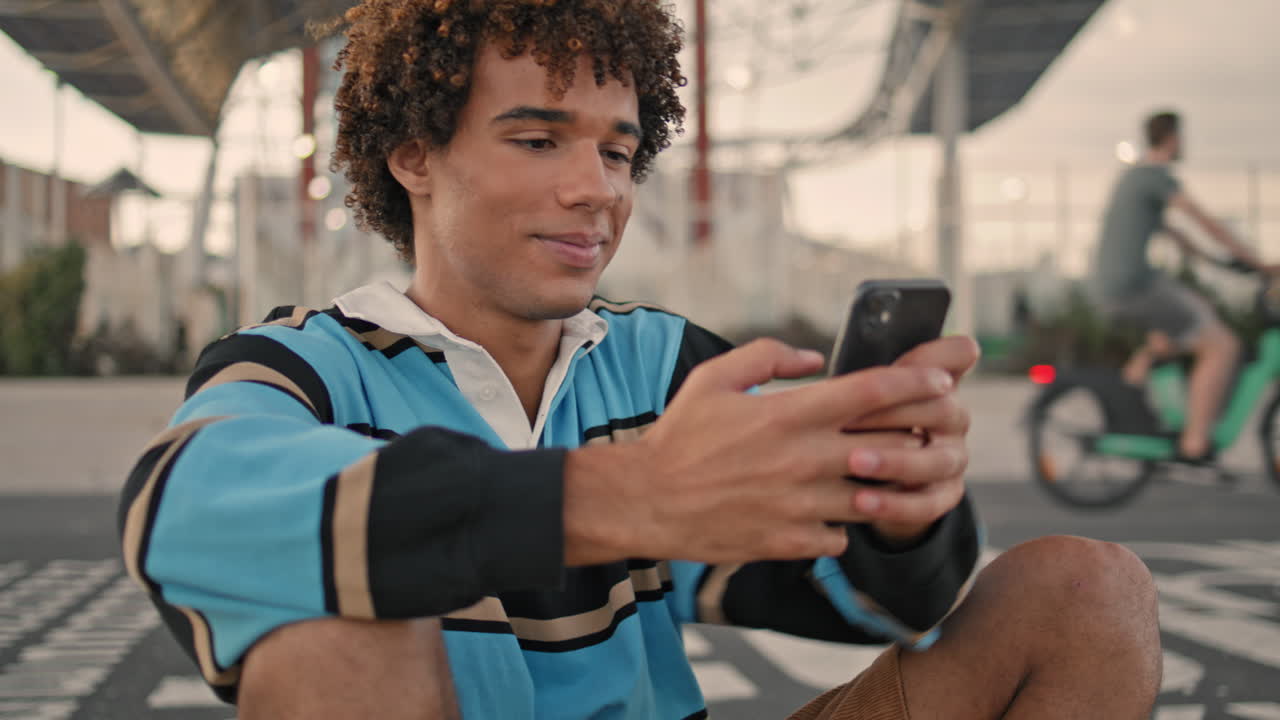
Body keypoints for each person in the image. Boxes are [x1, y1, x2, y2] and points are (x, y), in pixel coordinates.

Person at [119, 1, 1160, 718]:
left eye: (616, 150)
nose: (598, 189)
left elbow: (881, 609)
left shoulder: (660, 365)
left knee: (1087, 591)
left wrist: (901, 512)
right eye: (538, 140)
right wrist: (613, 497)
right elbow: (176, 505)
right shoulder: (304, 365)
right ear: (413, 155)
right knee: (335, 633)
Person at [1092, 111, 1279, 461]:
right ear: (1173, 138)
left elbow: (1182, 239)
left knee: (1188, 319)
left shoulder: (1134, 177)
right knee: (1223, 345)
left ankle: (1135, 384)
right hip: (1135, 285)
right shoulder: (1155, 176)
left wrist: (1222, 265)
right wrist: (1259, 263)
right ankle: (1195, 442)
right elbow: (1206, 223)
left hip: (1119, 285)